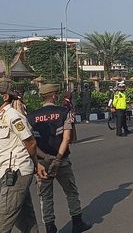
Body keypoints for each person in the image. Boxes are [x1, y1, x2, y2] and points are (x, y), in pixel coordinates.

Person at [27, 83, 92, 233]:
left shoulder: (31, 117)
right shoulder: (64, 112)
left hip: (42, 163)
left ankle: (50, 227)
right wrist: (57, 158)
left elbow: (31, 143)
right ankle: (77, 223)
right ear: (55, 96)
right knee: (71, 191)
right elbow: (67, 138)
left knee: (45, 196)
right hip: (61, 161)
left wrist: (45, 157)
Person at [0, 80, 47, 233]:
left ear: (5, 96)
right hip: (6, 171)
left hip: (15, 172)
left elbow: (31, 143)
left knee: (3, 220)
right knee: (25, 219)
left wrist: (35, 163)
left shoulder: (14, 116)